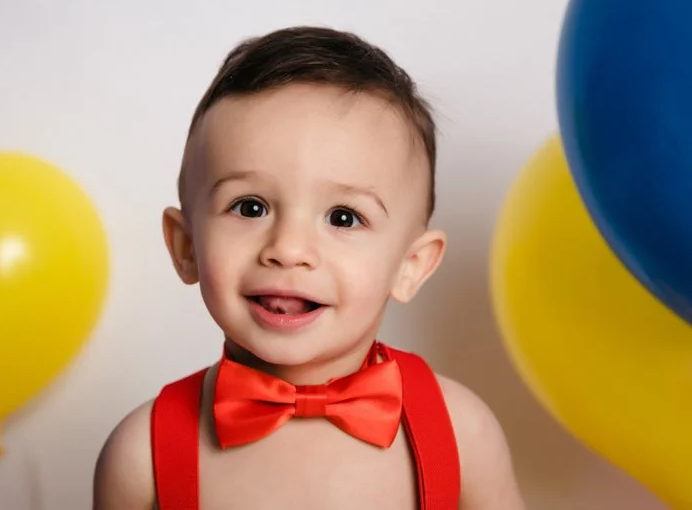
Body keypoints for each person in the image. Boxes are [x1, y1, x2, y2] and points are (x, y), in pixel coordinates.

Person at [93, 26, 525, 509]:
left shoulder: (463, 433)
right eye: (250, 207)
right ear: (186, 245)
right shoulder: (141, 456)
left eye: (343, 217)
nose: (289, 249)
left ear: (411, 265)